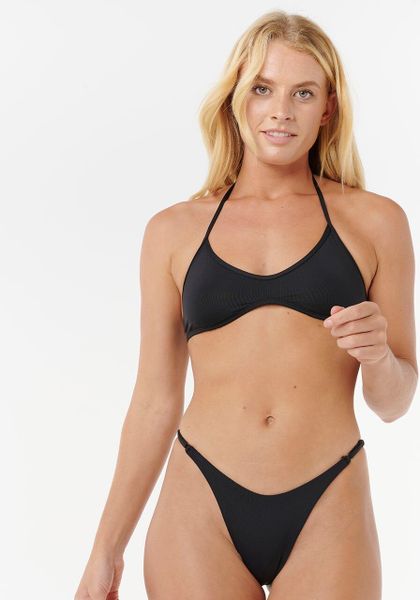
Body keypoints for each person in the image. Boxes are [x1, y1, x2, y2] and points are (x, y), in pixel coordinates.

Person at [75, 10, 417, 600]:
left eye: (303, 93)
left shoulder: (376, 222)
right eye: (263, 88)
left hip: (329, 499)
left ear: (328, 108)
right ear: (236, 97)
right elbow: (155, 399)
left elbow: (395, 401)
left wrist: (379, 357)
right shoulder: (173, 231)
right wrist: (106, 549)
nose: (281, 110)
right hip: (200, 502)